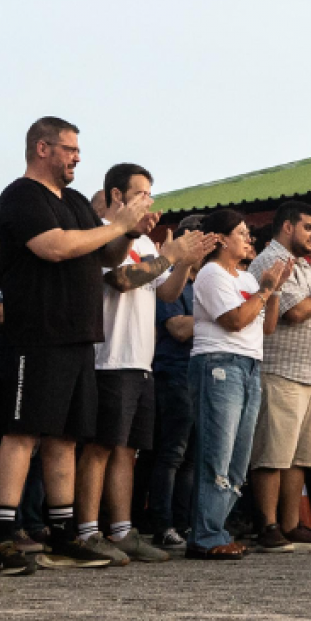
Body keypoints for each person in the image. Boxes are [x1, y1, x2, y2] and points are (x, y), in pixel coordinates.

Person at [0, 117, 153, 576]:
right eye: (69, 149)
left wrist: (129, 232)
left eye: (78, 150)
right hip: (36, 332)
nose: (77, 157)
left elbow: (106, 255)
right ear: (42, 148)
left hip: (79, 336)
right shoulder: (20, 195)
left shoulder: (77, 200)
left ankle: (62, 536)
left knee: (65, 436)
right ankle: (1, 539)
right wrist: (113, 224)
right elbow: (55, 247)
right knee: (23, 433)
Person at [86, 165, 217, 564]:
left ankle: (123, 530)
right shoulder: (101, 231)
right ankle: (88, 529)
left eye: (150, 194)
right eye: (141, 193)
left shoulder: (143, 241)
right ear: (116, 195)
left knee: (128, 450)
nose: (149, 202)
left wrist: (183, 264)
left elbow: (166, 293)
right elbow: (122, 280)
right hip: (109, 356)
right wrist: (167, 257)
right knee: (100, 448)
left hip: (141, 358)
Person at [246, 201, 311, 553]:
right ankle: (268, 525)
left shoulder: (304, 267)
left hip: (307, 375)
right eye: (308, 228)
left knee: (299, 457)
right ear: (287, 227)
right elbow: (295, 313)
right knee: (273, 454)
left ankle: (292, 524)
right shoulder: (273, 261)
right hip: (280, 371)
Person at [186, 208, 287, 559]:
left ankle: (217, 529)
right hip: (219, 365)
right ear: (221, 240)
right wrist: (265, 290)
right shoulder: (212, 274)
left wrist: (274, 291)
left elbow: (267, 326)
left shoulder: (245, 278)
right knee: (218, 452)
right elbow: (234, 320)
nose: (249, 239)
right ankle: (206, 535)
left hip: (249, 366)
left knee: (238, 458)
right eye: (242, 233)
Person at [144, 221, 200, 549]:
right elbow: (177, 328)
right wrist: (218, 314)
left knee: (191, 456)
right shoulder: (169, 281)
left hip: (197, 375)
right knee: (172, 454)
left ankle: (183, 522)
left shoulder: (201, 285)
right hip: (173, 373)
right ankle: (162, 524)